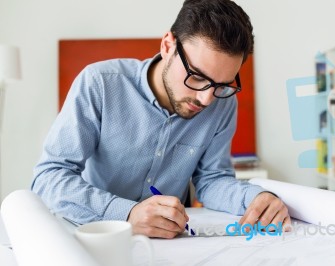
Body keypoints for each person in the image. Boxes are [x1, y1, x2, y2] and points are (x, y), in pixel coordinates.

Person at [32, 0, 291, 239]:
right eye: (197, 77)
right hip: (95, 236)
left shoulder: (223, 103)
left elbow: (212, 180)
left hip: (168, 245)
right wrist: (126, 213)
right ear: (167, 46)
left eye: (221, 84)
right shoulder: (99, 83)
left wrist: (255, 198)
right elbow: (49, 177)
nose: (206, 99)